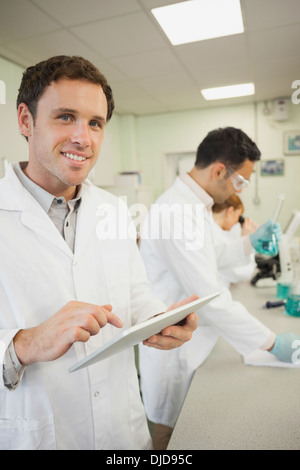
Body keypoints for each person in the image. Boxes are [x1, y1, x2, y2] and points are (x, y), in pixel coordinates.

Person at [0, 55, 199, 450]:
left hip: (122, 433)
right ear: (25, 120)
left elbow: (134, 293)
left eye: (95, 123)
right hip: (38, 433)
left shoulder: (113, 209)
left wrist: (158, 319)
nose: (83, 138)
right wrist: (26, 343)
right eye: (65, 117)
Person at [138, 127, 300, 450]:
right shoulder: (176, 212)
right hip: (173, 353)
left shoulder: (195, 205)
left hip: (191, 345)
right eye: (240, 181)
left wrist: (247, 243)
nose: (239, 189)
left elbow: (213, 256)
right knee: (171, 440)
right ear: (218, 171)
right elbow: (208, 297)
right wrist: (272, 342)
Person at [212, 194, 257, 288]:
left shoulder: (218, 232)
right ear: (230, 211)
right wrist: (248, 239)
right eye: (238, 216)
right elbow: (243, 273)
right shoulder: (216, 237)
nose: (237, 222)